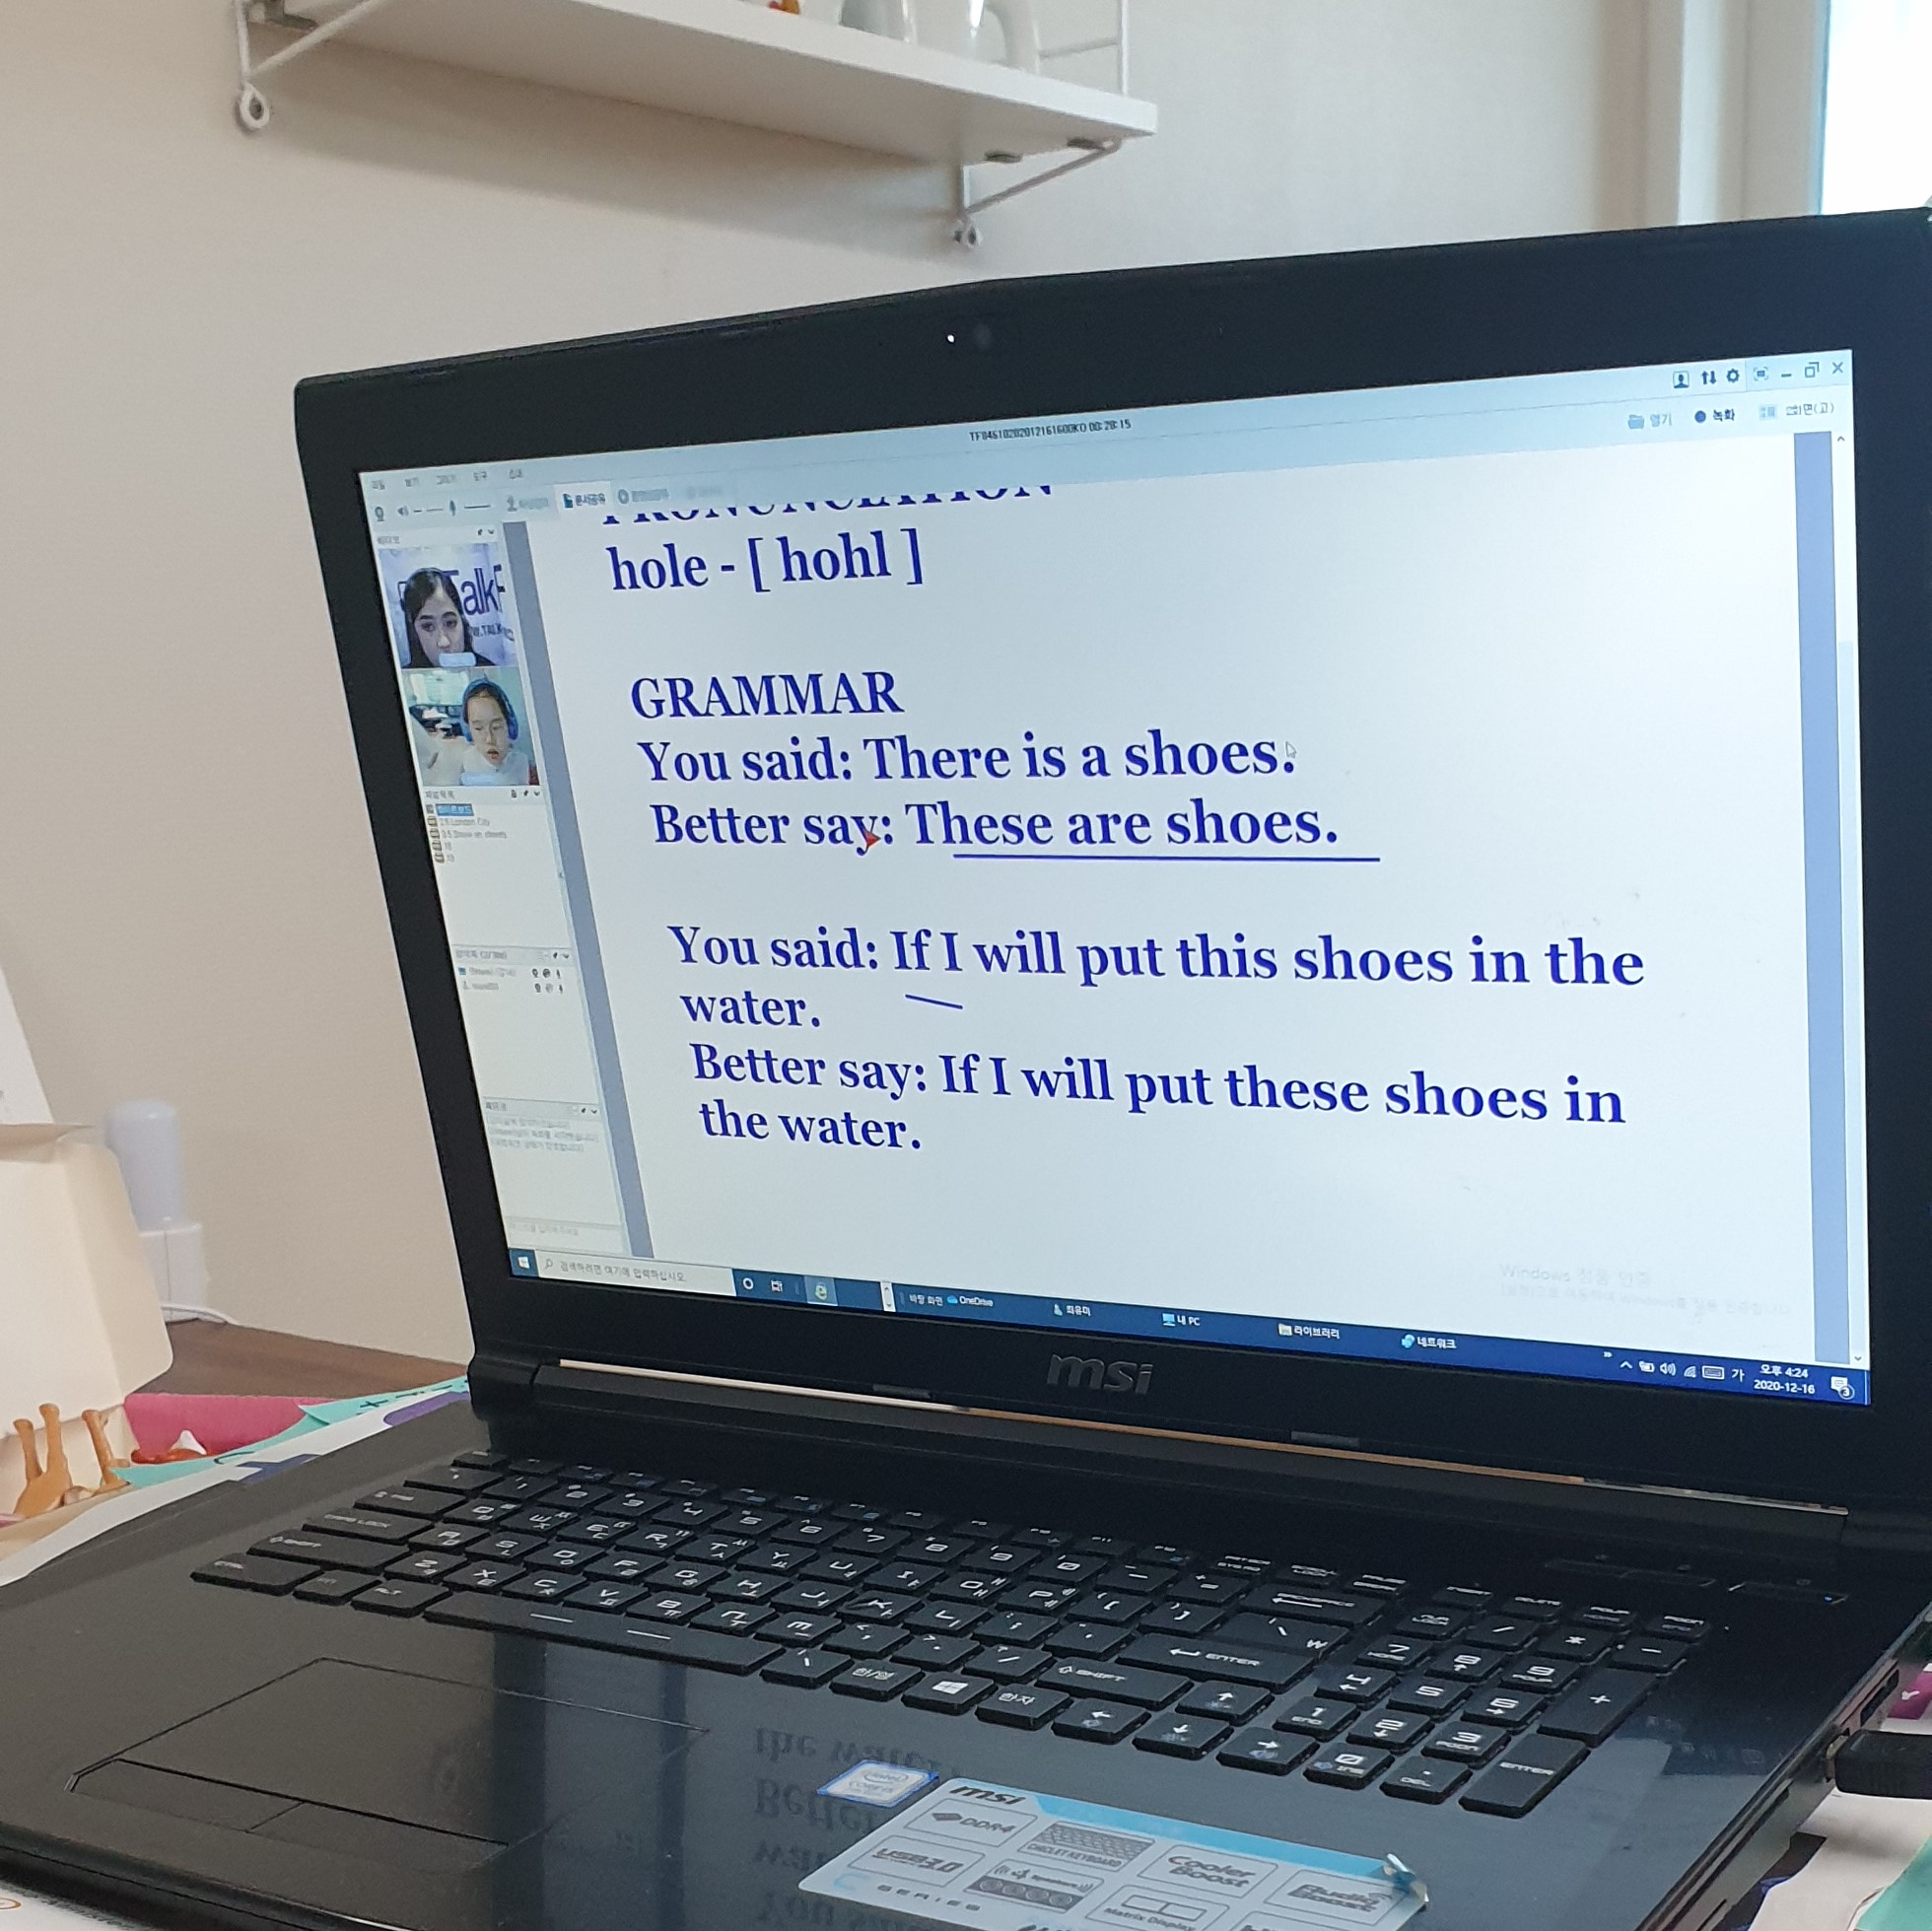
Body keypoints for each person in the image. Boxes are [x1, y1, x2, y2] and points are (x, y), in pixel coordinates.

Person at [458, 678, 537, 787]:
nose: (489, 739)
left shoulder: (526, 767)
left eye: (496, 727)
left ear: (509, 725)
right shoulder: (461, 766)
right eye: (478, 728)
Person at [399, 568, 476, 668]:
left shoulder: (490, 672)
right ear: (414, 632)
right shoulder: (401, 676)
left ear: (462, 620)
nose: (444, 642)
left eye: (450, 623)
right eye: (428, 626)